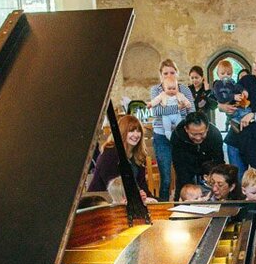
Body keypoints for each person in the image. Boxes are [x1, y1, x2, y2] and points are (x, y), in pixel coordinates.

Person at [148, 64, 196, 201]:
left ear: (177, 73)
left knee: (184, 174)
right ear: (160, 75)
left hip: (181, 135)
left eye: (172, 72)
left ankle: (183, 206)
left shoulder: (184, 89)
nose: (169, 76)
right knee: (166, 178)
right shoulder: (156, 90)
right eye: (165, 73)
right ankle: (163, 208)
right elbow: (156, 112)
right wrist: (177, 108)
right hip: (162, 135)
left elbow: (191, 110)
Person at [89, 114, 151, 203]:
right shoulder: (109, 154)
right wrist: (139, 197)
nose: (136, 135)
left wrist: (151, 199)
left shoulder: (139, 156)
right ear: (122, 132)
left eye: (138, 131)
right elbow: (114, 189)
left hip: (131, 201)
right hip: (103, 202)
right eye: (131, 131)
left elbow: (143, 188)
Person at [170, 111, 224, 200]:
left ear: (207, 129)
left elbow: (219, 162)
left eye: (202, 133)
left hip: (207, 164)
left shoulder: (215, 135)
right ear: (186, 129)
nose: (198, 138)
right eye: (194, 134)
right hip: (186, 162)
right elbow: (179, 166)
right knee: (184, 190)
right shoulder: (177, 136)